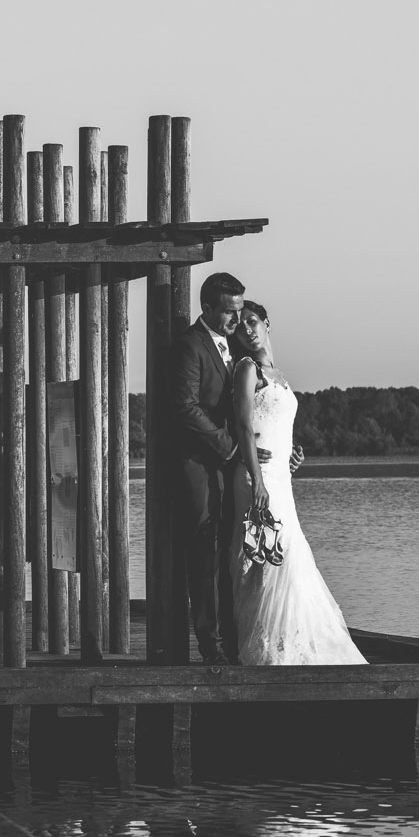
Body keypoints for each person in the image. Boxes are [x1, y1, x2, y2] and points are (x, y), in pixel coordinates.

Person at [227, 301, 365, 666]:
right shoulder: (246, 368)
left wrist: (291, 455)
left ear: (267, 323)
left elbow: (274, 424)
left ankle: (294, 641)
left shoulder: (280, 375)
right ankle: (266, 647)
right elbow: (242, 425)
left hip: (280, 478)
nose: (248, 330)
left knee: (291, 554)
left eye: (253, 322)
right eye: (240, 327)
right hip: (256, 476)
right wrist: (257, 479)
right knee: (267, 554)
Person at [169, 272, 251, 663]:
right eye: (228, 313)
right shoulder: (189, 346)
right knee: (205, 553)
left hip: (233, 466)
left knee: (231, 551)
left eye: (239, 311)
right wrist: (229, 447)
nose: (236, 320)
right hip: (200, 465)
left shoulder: (235, 345)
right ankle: (211, 645)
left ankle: (234, 637)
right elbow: (184, 407)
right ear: (206, 308)